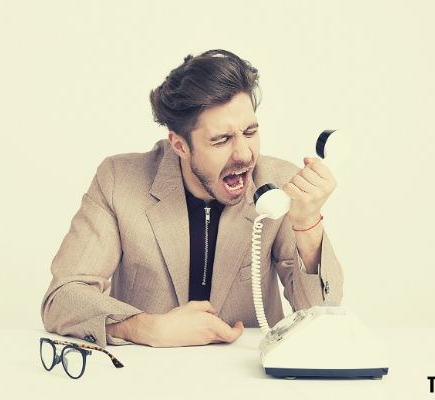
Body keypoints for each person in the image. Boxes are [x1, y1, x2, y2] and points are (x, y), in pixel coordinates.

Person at [40, 49, 343, 348]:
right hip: (145, 376)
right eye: (221, 140)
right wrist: (145, 327)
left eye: (250, 132)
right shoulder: (118, 180)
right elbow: (63, 297)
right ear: (180, 145)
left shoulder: (279, 183)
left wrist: (307, 225)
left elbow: (322, 316)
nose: (244, 154)